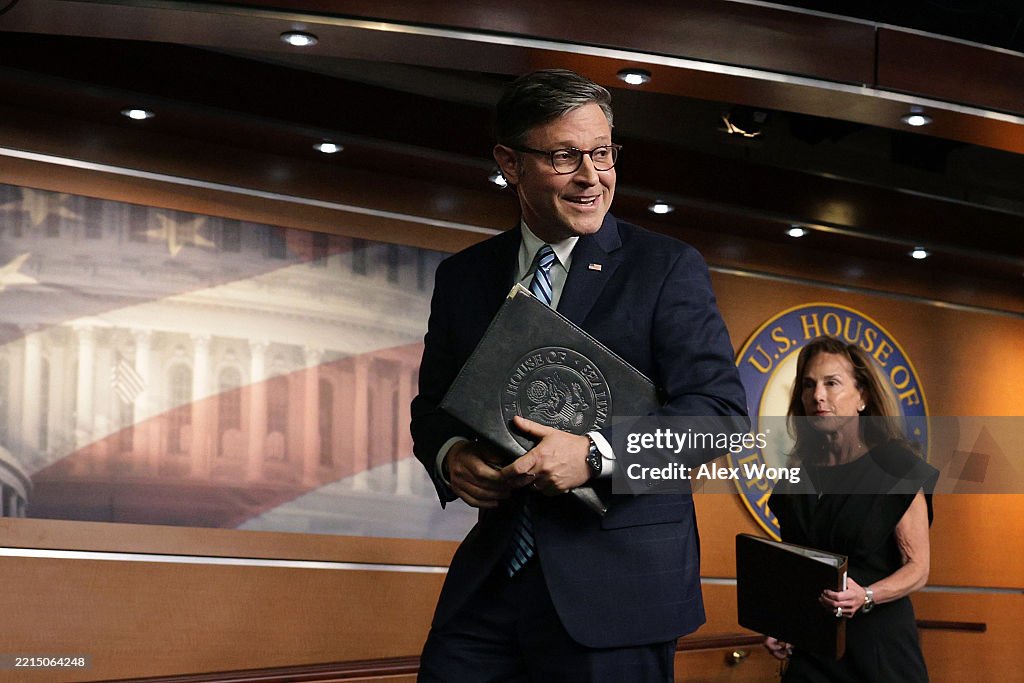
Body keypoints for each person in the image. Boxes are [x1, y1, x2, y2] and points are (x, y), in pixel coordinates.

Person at [410, 69, 748, 682]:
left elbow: (719, 417)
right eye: (565, 156)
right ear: (510, 163)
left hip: (620, 594)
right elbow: (432, 406)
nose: (592, 176)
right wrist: (450, 453)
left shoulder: (665, 267)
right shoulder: (463, 278)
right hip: (490, 585)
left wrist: (596, 455)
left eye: (603, 153)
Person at [764, 335, 938, 682]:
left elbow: (918, 568)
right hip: (814, 650)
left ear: (863, 396)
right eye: (809, 385)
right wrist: (783, 624)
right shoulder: (795, 477)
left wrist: (867, 596)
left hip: (879, 653)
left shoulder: (896, 467)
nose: (818, 395)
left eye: (832, 383)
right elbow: (796, 570)